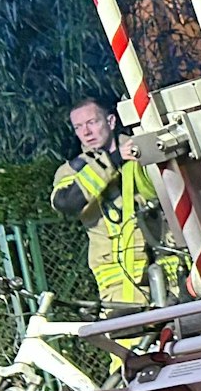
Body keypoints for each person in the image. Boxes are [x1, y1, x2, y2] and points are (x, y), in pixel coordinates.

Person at [51, 97, 159, 307]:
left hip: (166, 266)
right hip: (120, 282)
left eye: (92, 122)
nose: (86, 132)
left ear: (111, 122)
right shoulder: (72, 170)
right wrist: (113, 161)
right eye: (78, 127)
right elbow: (65, 203)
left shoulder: (140, 150)